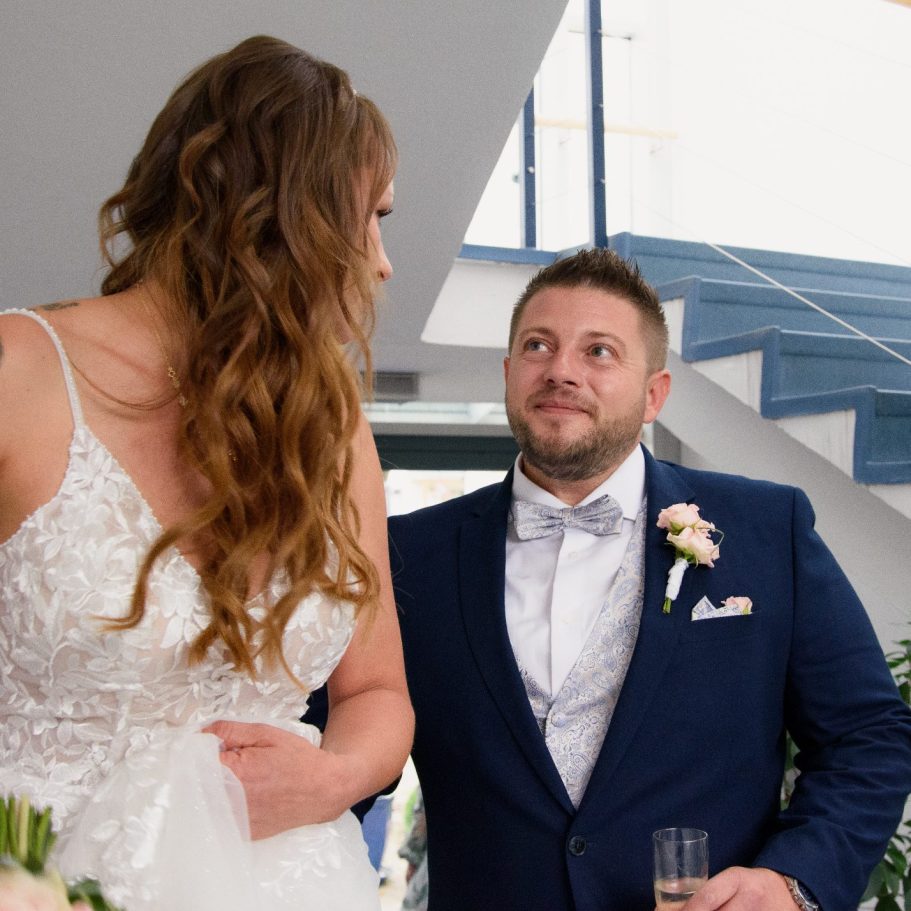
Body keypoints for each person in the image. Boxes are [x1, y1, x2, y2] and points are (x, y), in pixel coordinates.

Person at [0, 35, 413, 911]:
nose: (382, 262)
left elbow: (377, 691)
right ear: (279, 215)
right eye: (370, 217)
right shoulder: (17, 374)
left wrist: (333, 777)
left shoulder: (330, 423)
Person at [387, 248, 911, 911]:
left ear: (653, 395)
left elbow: (867, 735)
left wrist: (792, 880)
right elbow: (341, 746)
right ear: (509, 372)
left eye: (599, 351)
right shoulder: (408, 553)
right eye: (538, 345)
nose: (560, 370)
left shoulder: (764, 528)